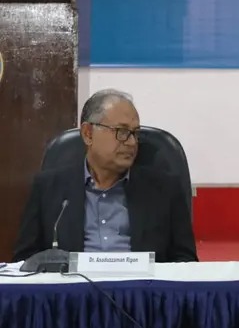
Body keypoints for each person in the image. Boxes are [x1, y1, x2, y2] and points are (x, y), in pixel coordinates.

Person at [14, 89, 198, 263]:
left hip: (141, 285)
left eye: (135, 133)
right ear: (88, 134)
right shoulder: (47, 188)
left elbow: (186, 262)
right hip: (72, 285)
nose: (132, 142)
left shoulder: (165, 190)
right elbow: (24, 261)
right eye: (122, 132)